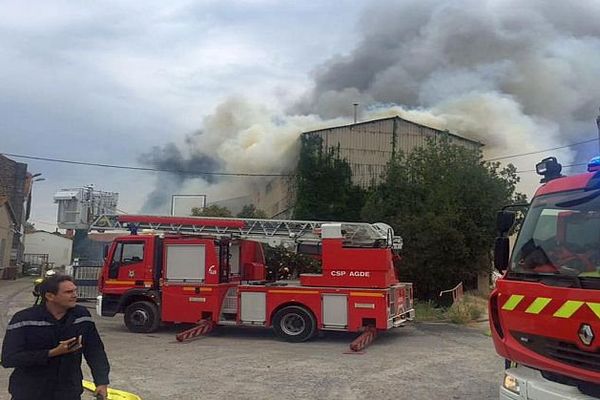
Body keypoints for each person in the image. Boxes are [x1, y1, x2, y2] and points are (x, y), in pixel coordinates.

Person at [1, 275, 110, 400]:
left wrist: (101, 381)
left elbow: (95, 351)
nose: (75, 295)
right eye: (69, 292)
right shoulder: (24, 319)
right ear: (50, 296)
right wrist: (52, 353)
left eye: (75, 290)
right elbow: (8, 359)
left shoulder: (82, 316)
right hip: (30, 392)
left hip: (68, 392)